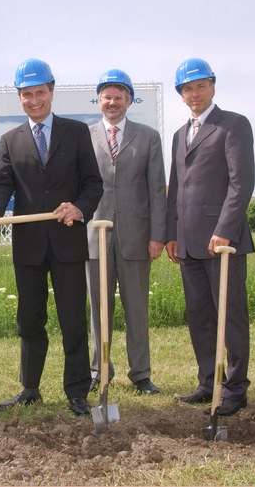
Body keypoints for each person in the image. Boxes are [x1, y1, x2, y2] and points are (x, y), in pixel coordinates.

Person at [0, 58, 103, 416]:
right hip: (29, 246)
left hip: (68, 244)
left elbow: (93, 184)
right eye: (27, 95)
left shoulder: (76, 133)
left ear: (52, 92)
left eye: (40, 93)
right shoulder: (10, 140)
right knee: (29, 321)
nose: (34, 100)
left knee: (72, 320)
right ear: (20, 97)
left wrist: (79, 208)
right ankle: (30, 388)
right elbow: (2, 186)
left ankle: (77, 391)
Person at [166, 58, 255, 417]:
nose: (194, 94)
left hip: (222, 243)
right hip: (188, 243)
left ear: (213, 86)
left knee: (229, 314)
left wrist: (224, 229)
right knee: (200, 315)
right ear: (181, 94)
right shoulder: (178, 134)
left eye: (200, 86)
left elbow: (241, 183)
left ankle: (235, 388)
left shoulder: (233, 125)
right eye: (187, 88)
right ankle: (208, 382)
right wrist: (171, 233)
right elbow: (176, 189)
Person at [85, 69, 166, 396]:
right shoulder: (85, 136)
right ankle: (98, 370)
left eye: (120, 96)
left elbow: (157, 189)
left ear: (129, 100)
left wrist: (157, 234)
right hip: (95, 236)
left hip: (136, 236)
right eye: (107, 96)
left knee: (136, 308)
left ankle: (141, 373)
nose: (113, 101)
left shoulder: (148, 137)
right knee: (97, 309)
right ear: (99, 100)